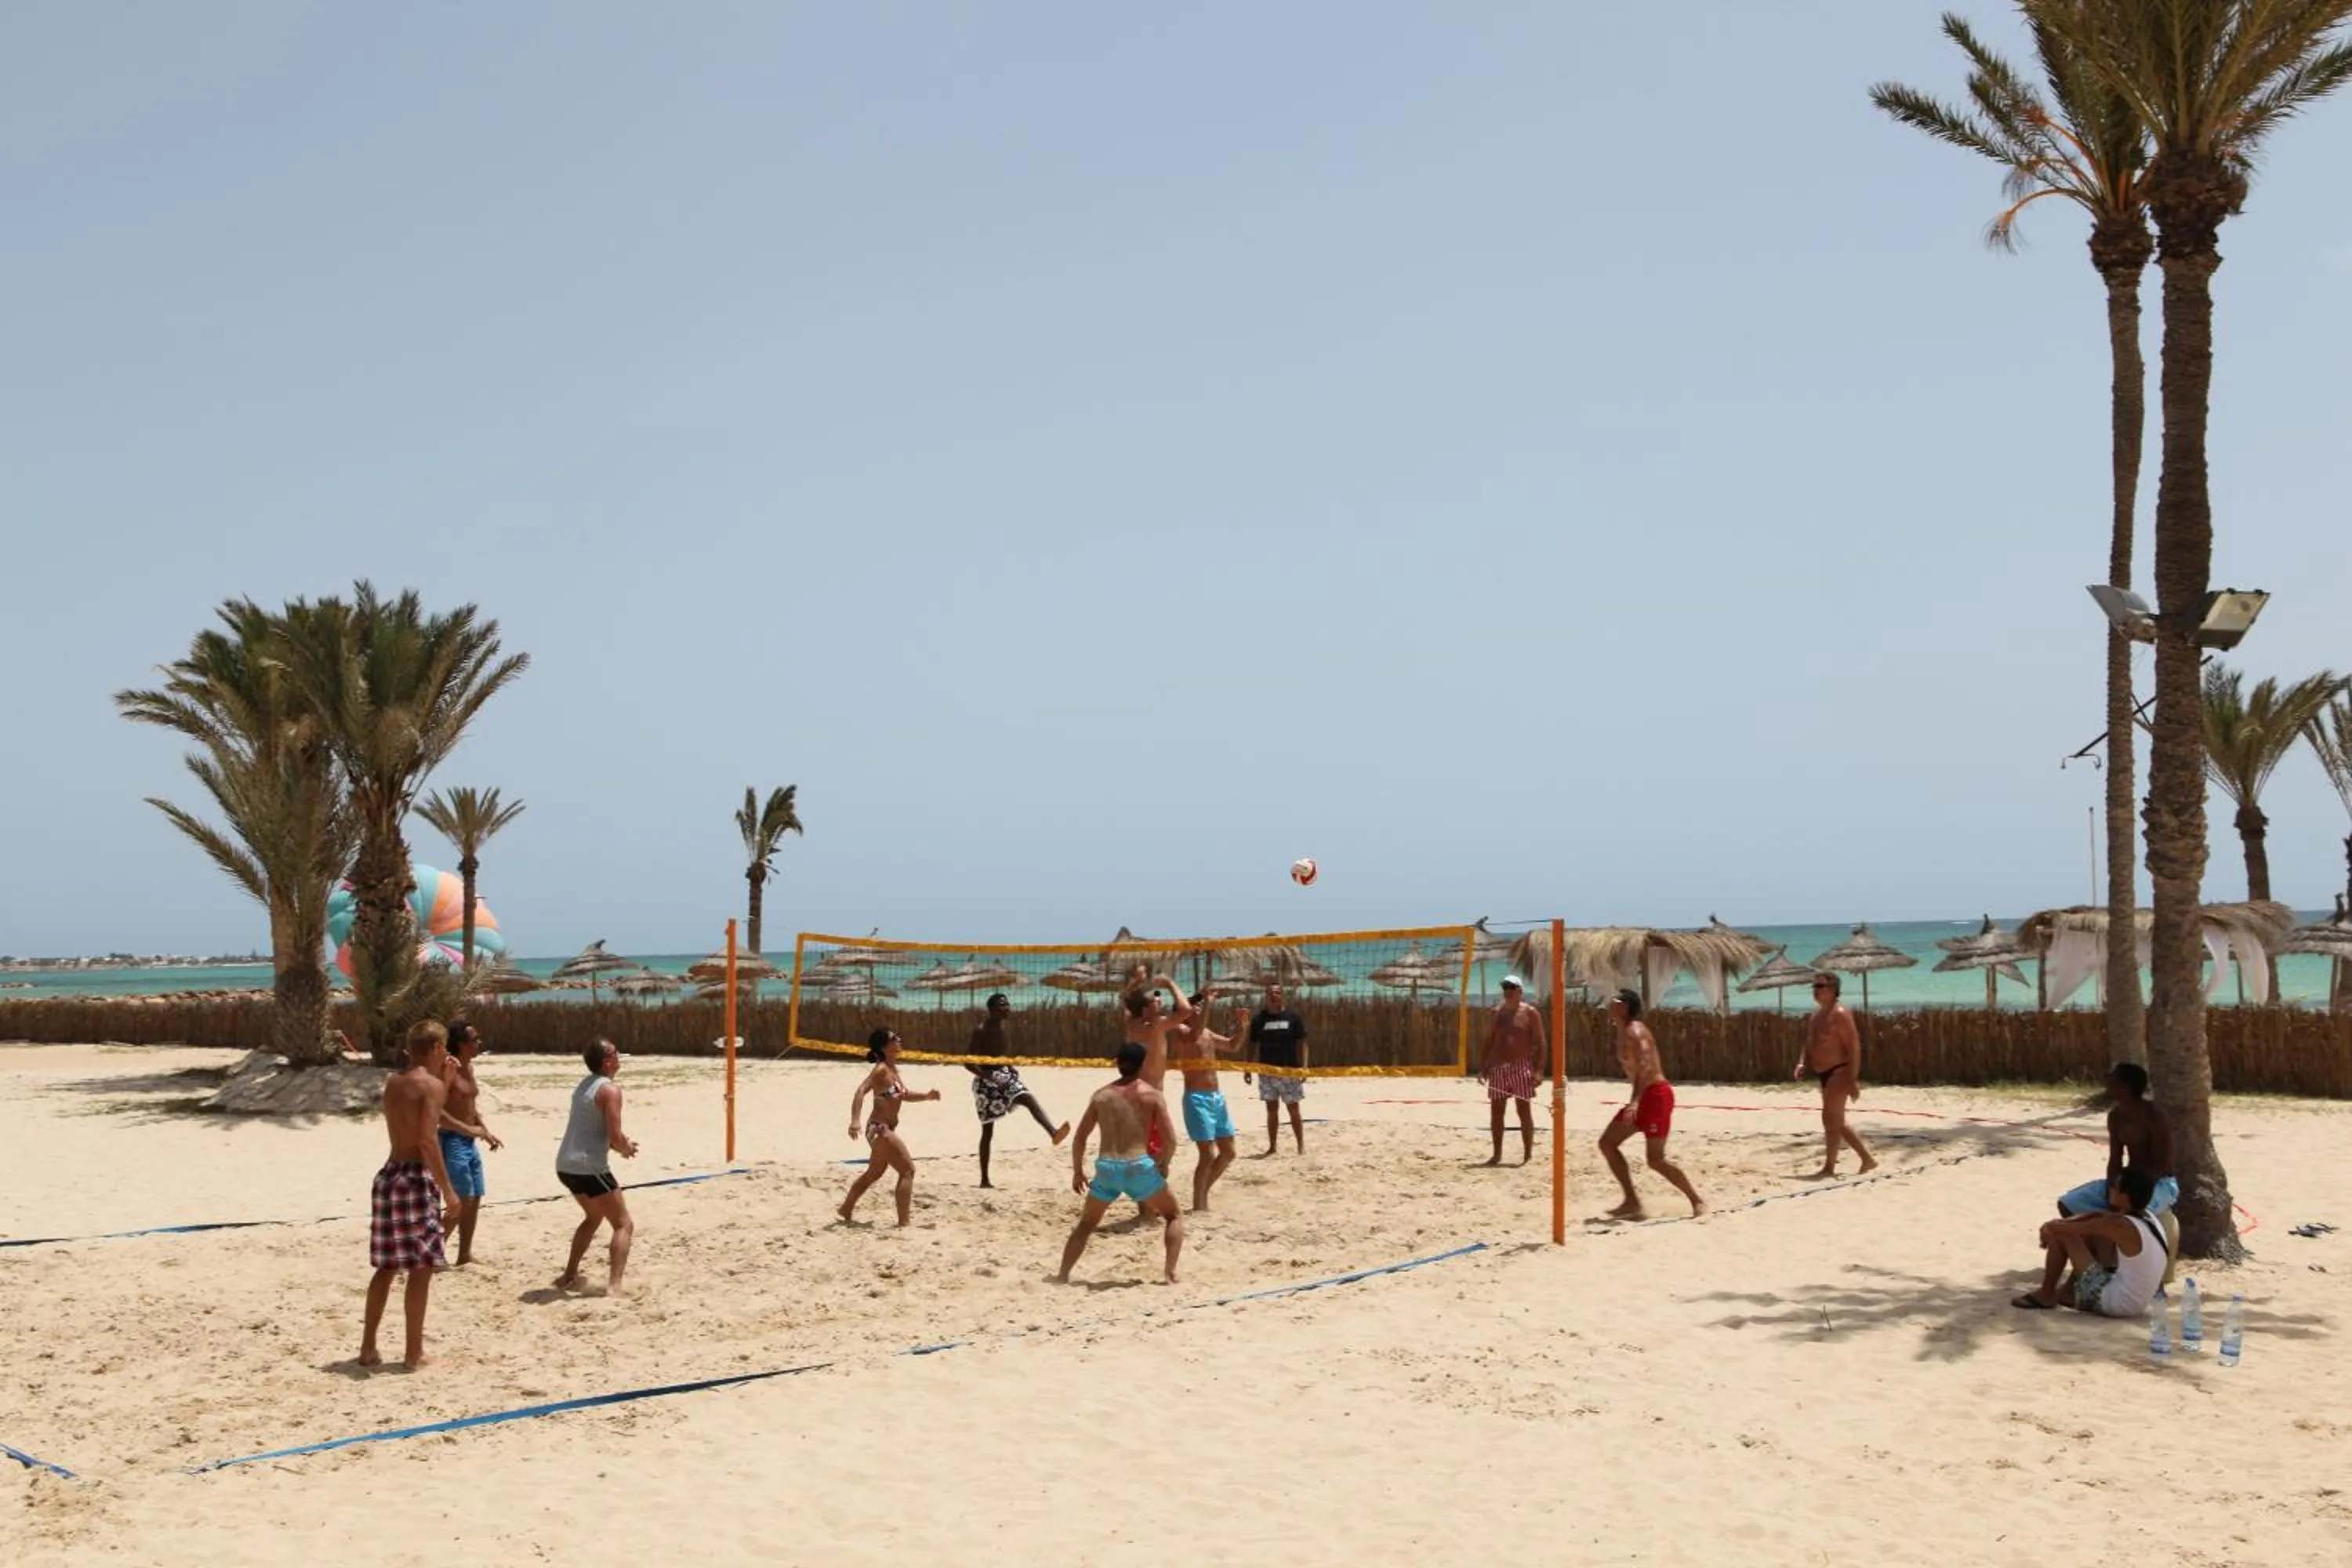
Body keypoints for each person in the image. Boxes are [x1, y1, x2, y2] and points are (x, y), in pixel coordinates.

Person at [359, 1021, 459, 1370]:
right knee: (421, 1269)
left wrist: (443, 1083)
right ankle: (414, 1354)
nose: (446, 1053)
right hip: (416, 1178)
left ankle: (368, 1347)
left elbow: (416, 1115)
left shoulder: (394, 1083)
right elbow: (427, 1139)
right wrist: (450, 1193)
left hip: (390, 1175)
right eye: (444, 1047)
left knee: (386, 1267)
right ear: (434, 1048)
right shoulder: (431, 1086)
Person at [1057, 1040, 1185, 1285]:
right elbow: (1170, 1139)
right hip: (1138, 1164)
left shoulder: (1101, 1096)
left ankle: (1063, 1275)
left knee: (1086, 1224)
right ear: (1143, 1065)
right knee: (1173, 1215)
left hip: (1107, 1166)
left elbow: (1080, 1138)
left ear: (1118, 1064)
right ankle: (1169, 1274)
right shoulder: (1152, 1096)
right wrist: (1164, 1163)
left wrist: (1077, 1171)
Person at [1597, 989, 1706, 1218]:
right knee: (1607, 1143)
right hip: (1643, 1095)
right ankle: (1631, 1201)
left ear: (1624, 1007)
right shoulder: (1624, 1031)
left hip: (1655, 1095)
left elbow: (1645, 1066)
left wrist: (1635, 1101)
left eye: (1614, 1000)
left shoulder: (1635, 1030)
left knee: (1655, 1159)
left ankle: (1696, 1200)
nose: (1609, 1003)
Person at [2012, 1167, 2170, 1315]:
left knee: (2063, 1236)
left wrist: (2050, 1228)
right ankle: (2068, 1292)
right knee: (2095, 1238)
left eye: (2115, 1187)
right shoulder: (2149, 1219)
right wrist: (2062, 1224)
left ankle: (2046, 1294)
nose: (2111, 1189)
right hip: (2136, 1302)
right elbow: (2098, 1217)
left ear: (2126, 1195)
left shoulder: (2121, 1226)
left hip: (2117, 1303)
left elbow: (2068, 1229)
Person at [554, 1039, 638, 1296]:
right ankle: (614, 1286)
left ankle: (569, 1275)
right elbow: (613, 1135)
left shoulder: (584, 1085)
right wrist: (625, 1147)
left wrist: (618, 1145)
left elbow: (592, 1131)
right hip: (588, 1167)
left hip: (565, 1165)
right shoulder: (611, 1090)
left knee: (593, 1217)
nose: (619, 1055)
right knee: (624, 1224)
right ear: (607, 1061)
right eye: (616, 1052)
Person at [964, 993, 1069, 1188]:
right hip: (985, 1080)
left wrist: (1008, 1066)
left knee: (1027, 1098)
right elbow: (968, 1063)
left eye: (1008, 1004)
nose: (1008, 1008)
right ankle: (984, 1179)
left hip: (1003, 1075)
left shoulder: (1002, 1028)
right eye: (1003, 1005)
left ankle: (1053, 1132)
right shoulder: (980, 1031)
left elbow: (997, 1055)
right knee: (987, 1131)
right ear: (992, 1009)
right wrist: (989, 1077)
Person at [841, 1028, 941, 1226]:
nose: (900, 1039)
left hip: (884, 1129)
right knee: (908, 1171)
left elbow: (904, 1095)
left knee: (874, 1173)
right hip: (879, 1129)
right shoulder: (881, 1070)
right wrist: (854, 1121)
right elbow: (861, 1091)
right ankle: (904, 1223)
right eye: (895, 1038)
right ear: (885, 1047)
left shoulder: (893, 1070)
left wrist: (926, 1096)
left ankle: (846, 1208)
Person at [2056, 1062, 2178, 1218]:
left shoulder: (2155, 1116)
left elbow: (2164, 1163)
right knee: (2068, 1204)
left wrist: (2135, 1192)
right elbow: (2115, 1157)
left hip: (2159, 1183)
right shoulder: (2115, 1117)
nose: (2108, 1084)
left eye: (2112, 1080)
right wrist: (2113, 1186)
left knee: (2134, 1214)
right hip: (2127, 1182)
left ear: (2124, 1087)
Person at [1792, 974, 1876, 1178]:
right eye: (1814, 986)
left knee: (1830, 1119)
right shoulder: (1818, 1015)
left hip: (1839, 1070)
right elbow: (1809, 1041)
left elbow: (1854, 1047)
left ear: (1833, 989)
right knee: (1835, 1121)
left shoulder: (1840, 1013)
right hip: (1823, 1072)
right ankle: (1867, 1159)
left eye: (1820, 986)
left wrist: (1852, 1079)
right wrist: (1802, 1061)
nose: (1816, 990)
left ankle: (1831, 1167)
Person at [1173, 993, 1250, 1212]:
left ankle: (1202, 1192)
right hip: (1197, 1098)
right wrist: (1208, 1001)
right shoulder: (1182, 1031)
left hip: (1217, 1098)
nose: (1198, 1008)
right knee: (1207, 1155)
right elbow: (1196, 1032)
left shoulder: (1206, 1032)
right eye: (1194, 1005)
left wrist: (1244, 1025)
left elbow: (1233, 1046)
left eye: (1199, 1005)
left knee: (1228, 1153)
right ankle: (1200, 1206)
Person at [436, 1018, 503, 1265]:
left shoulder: (469, 1069)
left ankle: (464, 1254)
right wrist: (467, 1128)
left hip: (469, 1141)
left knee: (475, 1199)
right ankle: (432, 1252)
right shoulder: (448, 1069)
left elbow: (470, 1106)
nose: (479, 1043)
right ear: (461, 1044)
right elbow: (437, 1111)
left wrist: (485, 1131)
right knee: (461, 1199)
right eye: (474, 1039)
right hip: (451, 1140)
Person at [1479, 975, 1543, 1166]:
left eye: (1512, 987)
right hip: (1499, 1066)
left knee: (1524, 1111)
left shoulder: (1530, 1012)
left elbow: (1541, 1042)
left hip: (1521, 1065)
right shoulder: (1497, 1012)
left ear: (1520, 991)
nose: (1508, 990)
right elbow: (1489, 1040)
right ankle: (1497, 1155)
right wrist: (1484, 1067)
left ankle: (1527, 1154)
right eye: (1505, 987)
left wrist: (1539, 1071)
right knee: (1496, 1113)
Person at [1247, 982, 1309, 1156]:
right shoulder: (1259, 1020)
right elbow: (1252, 1045)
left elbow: (1303, 1042)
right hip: (1267, 1071)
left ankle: (1300, 1145)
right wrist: (1248, 1068)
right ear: (1266, 996)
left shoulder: (1292, 1017)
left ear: (1282, 996)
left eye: (1277, 992)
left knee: (1294, 1110)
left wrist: (1304, 1066)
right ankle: (1273, 1146)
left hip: (1289, 1070)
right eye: (1270, 992)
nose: (1273, 995)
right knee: (1271, 1110)